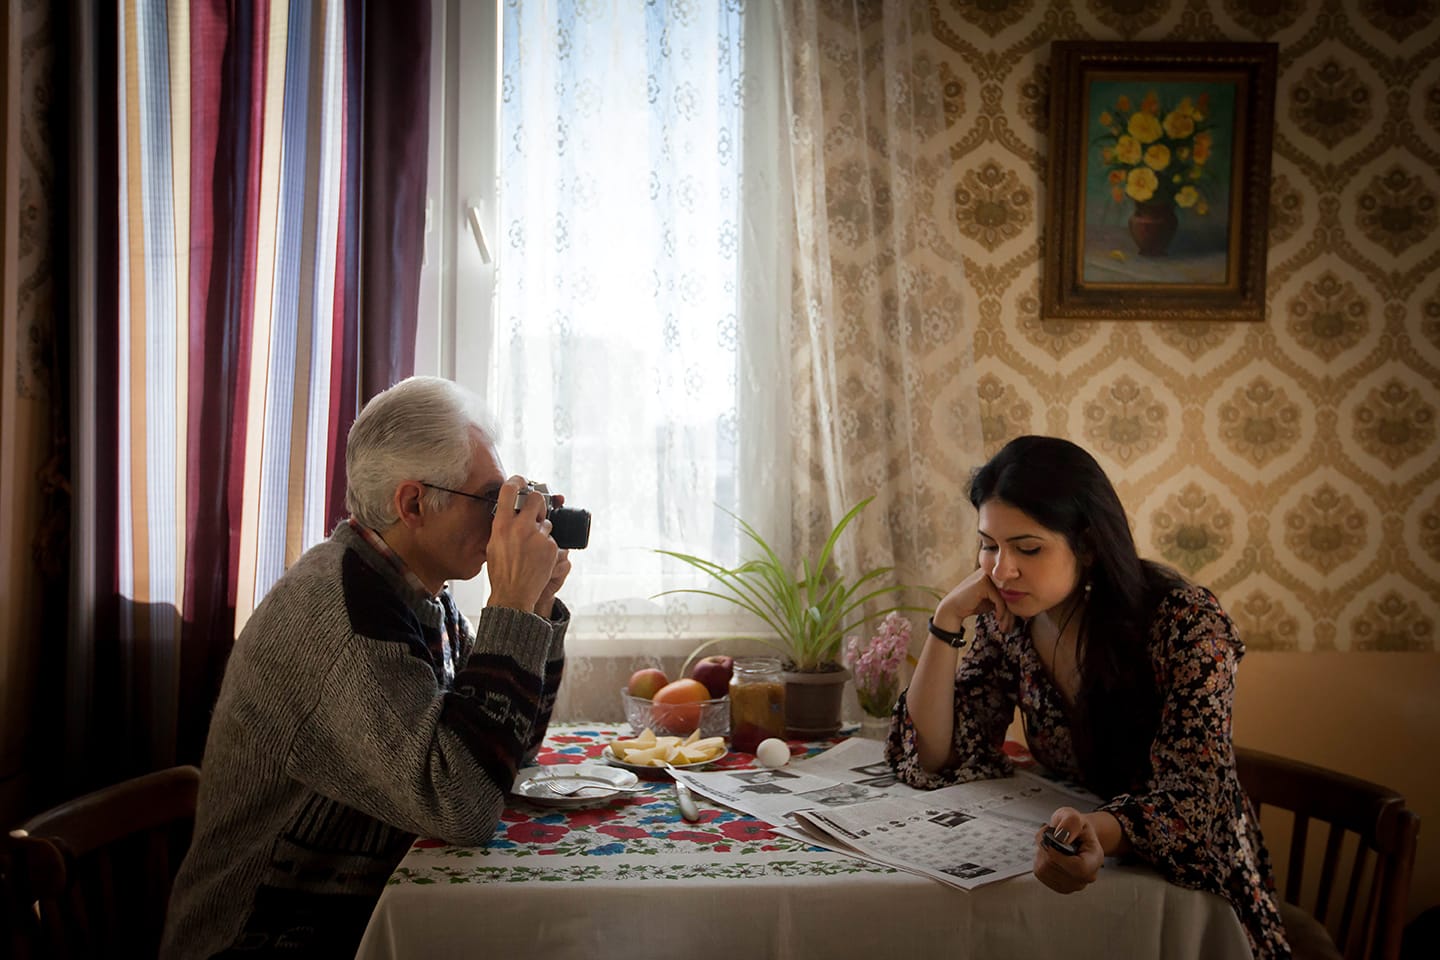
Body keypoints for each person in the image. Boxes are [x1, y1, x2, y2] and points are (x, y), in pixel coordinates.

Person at [162, 376, 573, 959]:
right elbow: (461, 803)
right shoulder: (340, 612)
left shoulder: (411, 591)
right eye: (490, 500)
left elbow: (500, 755)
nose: (503, 520)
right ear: (412, 504)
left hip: (348, 917)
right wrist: (508, 607)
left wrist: (532, 608)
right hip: (258, 937)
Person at [886, 436, 1289, 960]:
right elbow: (936, 753)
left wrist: (1097, 830)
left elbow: (1194, 801)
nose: (1000, 570)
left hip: (1190, 881)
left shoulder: (1186, 625)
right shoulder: (1012, 618)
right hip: (1073, 855)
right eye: (989, 544)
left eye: (1027, 548)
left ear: (1089, 546)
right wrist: (945, 620)